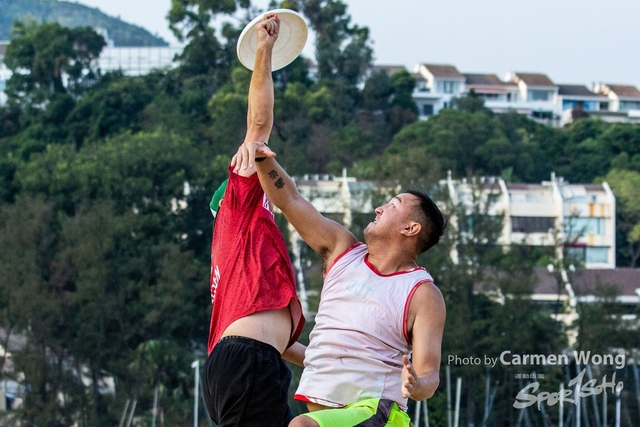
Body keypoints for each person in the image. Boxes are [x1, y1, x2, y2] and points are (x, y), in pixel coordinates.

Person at [231, 128, 447, 426]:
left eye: (393, 205)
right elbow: (291, 200)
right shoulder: (342, 251)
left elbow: (429, 376)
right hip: (335, 415)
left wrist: (416, 384)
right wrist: (261, 159)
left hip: (379, 411)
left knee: (300, 426)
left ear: (410, 229)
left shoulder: (422, 293)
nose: (379, 208)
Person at [201, 13, 305, 427]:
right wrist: (264, 48)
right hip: (248, 361)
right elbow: (259, 125)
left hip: (247, 362)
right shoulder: (239, 207)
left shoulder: (239, 256)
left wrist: (341, 359)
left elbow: (280, 342)